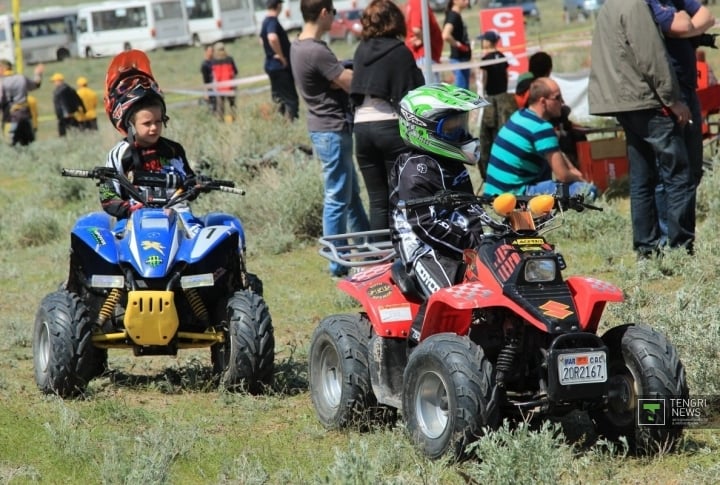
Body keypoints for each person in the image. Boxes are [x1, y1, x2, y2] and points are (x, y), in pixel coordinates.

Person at [390, 83, 504, 342]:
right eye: (451, 126)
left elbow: (468, 206)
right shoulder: (415, 169)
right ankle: (418, 351)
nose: (460, 131)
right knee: (448, 295)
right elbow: (425, 223)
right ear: (424, 129)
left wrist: (491, 234)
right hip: (421, 247)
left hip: (453, 238)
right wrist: (470, 243)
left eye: (460, 123)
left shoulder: (452, 163)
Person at [589, 0, 695, 257]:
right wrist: (673, 99)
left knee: (642, 179)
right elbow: (651, 57)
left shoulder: (609, 6)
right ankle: (681, 249)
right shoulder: (635, 5)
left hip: (624, 101)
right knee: (678, 175)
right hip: (646, 99)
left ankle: (646, 249)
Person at [291, 0, 370, 277]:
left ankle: (368, 247)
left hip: (324, 127)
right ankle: (338, 262)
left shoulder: (298, 45)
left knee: (351, 194)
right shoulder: (315, 50)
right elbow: (350, 83)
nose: (335, 18)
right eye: (333, 12)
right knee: (338, 196)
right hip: (332, 129)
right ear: (324, 13)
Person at [350, 0, 425, 233]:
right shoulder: (400, 51)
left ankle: (378, 259)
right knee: (401, 196)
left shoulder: (360, 50)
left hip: (361, 128)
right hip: (389, 127)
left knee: (377, 200)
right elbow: (413, 92)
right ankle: (402, 256)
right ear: (395, 20)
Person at [99, 56, 195, 223]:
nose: (153, 128)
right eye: (146, 123)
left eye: (158, 122)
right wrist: (127, 208)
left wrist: (195, 186)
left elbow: (189, 180)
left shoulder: (173, 150)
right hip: (134, 219)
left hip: (178, 216)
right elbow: (107, 195)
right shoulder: (120, 154)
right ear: (131, 123)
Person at [483, 78, 597, 198]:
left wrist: (572, 170)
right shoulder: (541, 128)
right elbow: (562, 176)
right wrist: (579, 178)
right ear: (543, 101)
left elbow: (556, 153)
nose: (562, 102)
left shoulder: (520, 115)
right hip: (513, 196)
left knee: (546, 159)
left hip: (493, 194)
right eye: (557, 98)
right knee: (589, 191)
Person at [476, 30, 516, 179]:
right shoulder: (502, 57)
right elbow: (506, 76)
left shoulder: (486, 58)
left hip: (492, 99)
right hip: (503, 97)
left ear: (488, 42)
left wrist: (483, 94)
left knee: (490, 131)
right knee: (503, 128)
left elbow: (484, 78)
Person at [261, 0, 300, 121]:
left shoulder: (265, 21)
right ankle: (289, 125)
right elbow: (272, 38)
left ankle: (281, 124)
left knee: (279, 100)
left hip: (272, 66)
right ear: (278, 5)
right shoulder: (272, 21)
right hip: (280, 67)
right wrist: (281, 56)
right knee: (290, 100)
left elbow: (262, 40)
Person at [0, 59, 43, 146]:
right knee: (29, 145)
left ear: (2, 68)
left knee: (11, 146)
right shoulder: (21, 78)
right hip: (26, 116)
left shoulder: (2, 82)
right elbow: (36, 85)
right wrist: (38, 74)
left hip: (10, 118)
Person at [404, 0, 443, 78]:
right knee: (431, 89)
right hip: (424, 56)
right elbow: (416, 28)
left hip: (424, 56)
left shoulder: (415, 2)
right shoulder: (418, 2)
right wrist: (423, 38)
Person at [442, 0, 471, 89]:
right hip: (459, 59)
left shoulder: (457, 15)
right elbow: (445, 35)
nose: (467, 1)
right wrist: (458, 45)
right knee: (462, 92)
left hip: (463, 58)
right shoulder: (453, 15)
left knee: (465, 91)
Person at [210, 42, 239, 121]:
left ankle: (221, 120)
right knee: (232, 105)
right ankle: (234, 119)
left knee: (220, 107)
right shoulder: (230, 59)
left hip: (220, 88)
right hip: (230, 87)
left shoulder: (213, 61)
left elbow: (213, 75)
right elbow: (235, 71)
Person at [51, 72, 84, 137]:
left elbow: (64, 102)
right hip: (70, 114)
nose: (54, 83)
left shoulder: (61, 90)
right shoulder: (69, 88)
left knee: (64, 133)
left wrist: (66, 113)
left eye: (55, 81)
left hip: (65, 115)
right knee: (75, 131)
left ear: (59, 81)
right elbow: (78, 99)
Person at [200, 45, 216, 112]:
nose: (211, 53)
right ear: (206, 52)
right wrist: (206, 92)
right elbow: (205, 80)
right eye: (209, 51)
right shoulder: (204, 65)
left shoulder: (216, 62)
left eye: (212, 51)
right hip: (210, 88)